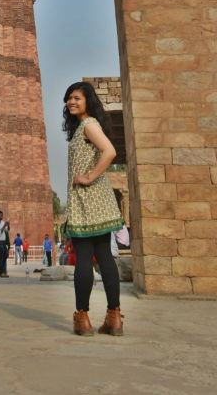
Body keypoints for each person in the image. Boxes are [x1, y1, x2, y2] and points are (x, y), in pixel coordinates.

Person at [63, 81, 125, 336]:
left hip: (87, 202)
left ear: (88, 100)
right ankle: (114, 318)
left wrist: (89, 176)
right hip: (98, 203)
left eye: (77, 97)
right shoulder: (83, 127)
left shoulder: (89, 125)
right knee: (105, 259)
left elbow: (109, 151)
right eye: (68, 99)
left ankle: (83, 318)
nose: (71, 102)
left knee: (85, 260)